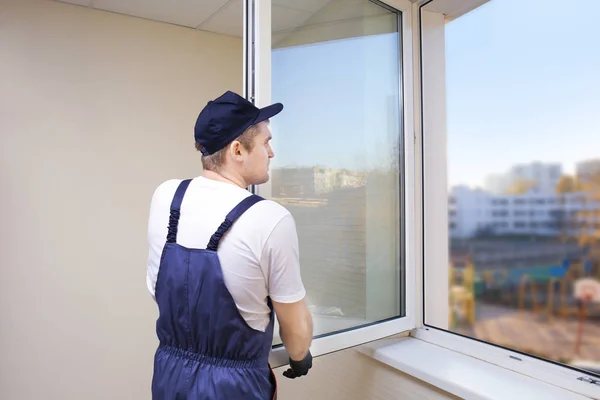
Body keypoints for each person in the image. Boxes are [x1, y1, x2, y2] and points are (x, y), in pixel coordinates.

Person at [146, 90, 313, 399]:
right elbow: (297, 334)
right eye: (266, 142)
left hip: (169, 379)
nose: (271, 153)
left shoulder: (167, 197)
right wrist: (301, 357)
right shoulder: (269, 218)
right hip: (233, 389)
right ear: (238, 150)